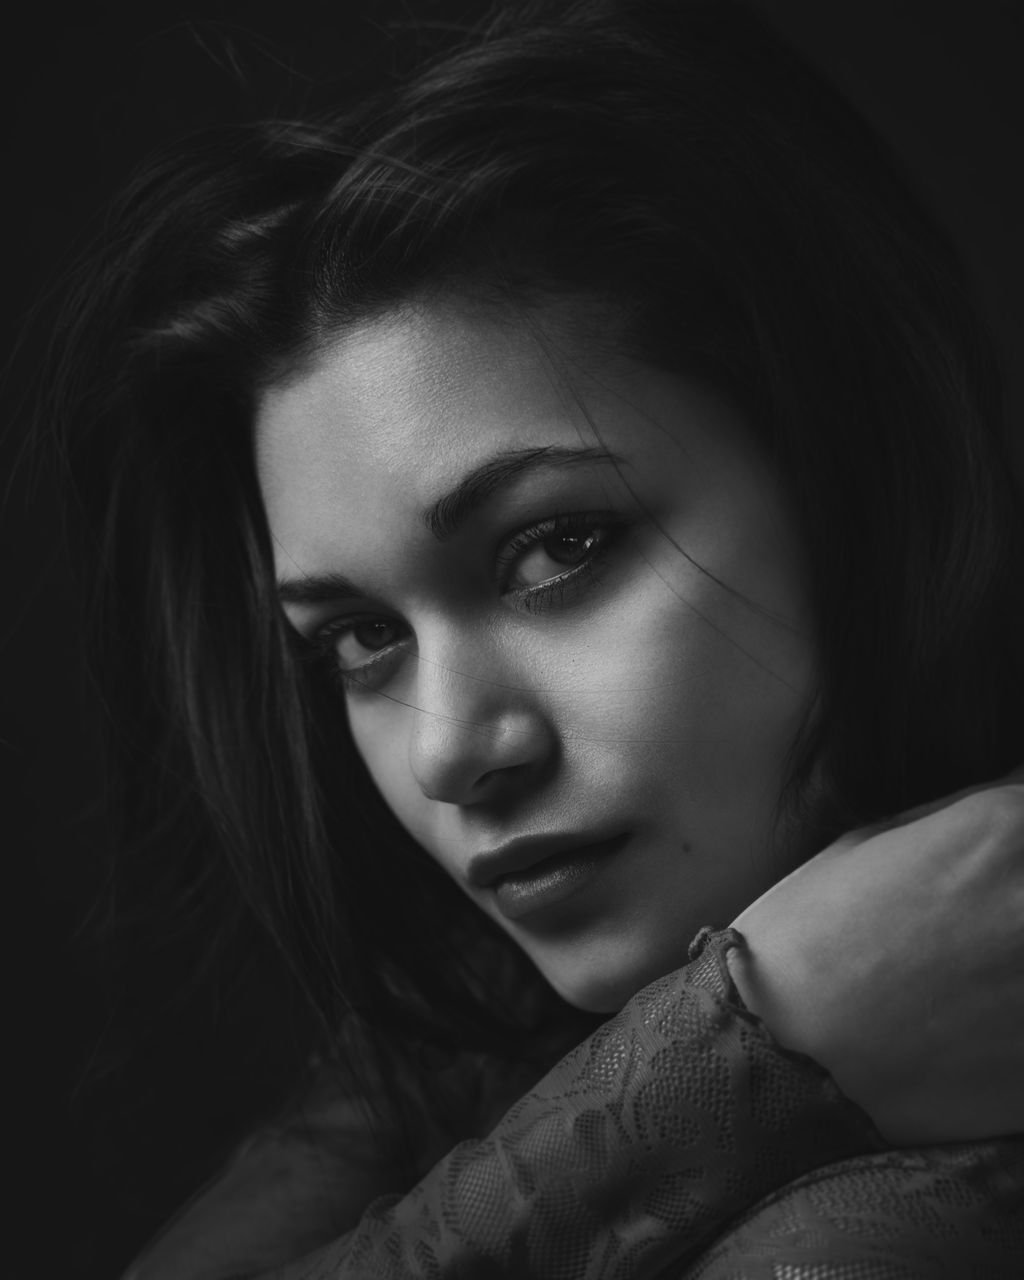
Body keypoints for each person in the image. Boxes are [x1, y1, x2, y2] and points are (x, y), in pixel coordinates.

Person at [45, 0, 1024, 1275]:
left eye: (557, 547)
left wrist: (736, 1054)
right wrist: (732, 1045)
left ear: (856, 479)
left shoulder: (911, 1224)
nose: (450, 750)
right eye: (361, 636)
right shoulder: (468, 1036)